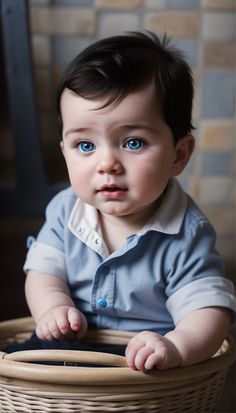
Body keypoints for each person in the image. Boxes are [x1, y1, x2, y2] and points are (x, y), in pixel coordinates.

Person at [23, 31, 235, 371]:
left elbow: (209, 312)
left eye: (133, 143)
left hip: (139, 363)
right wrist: (53, 308)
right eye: (86, 146)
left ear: (178, 155)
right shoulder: (66, 210)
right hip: (68, 344)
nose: (107, 164)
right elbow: (42, 271)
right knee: (16, 358)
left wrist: (175, 348)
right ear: (65, 152)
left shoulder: (186, 234)